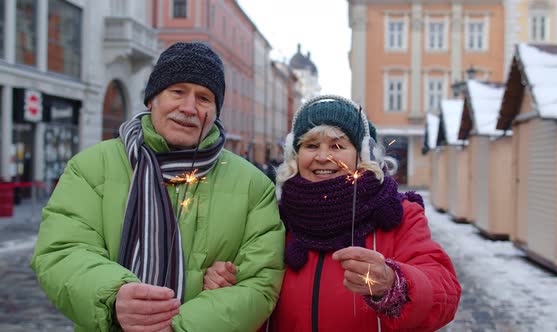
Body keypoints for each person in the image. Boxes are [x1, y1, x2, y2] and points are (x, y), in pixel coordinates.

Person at [30, 42, 285, 332]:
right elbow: (62, 251)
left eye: (204, 98)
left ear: (215, 111)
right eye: (177, 91)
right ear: (152, 99)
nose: (189, 108)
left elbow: (261, 282)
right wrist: (113, 296)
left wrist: (179, 327)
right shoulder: (90, 168)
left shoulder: (254, 186)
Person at [205, 95, 461, 331]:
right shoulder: (272, 217)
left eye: (338, 146)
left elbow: (445, 292)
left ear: (363, 154)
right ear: (294, 155)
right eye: (311, 145)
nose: (323, 157)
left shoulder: (398, 214)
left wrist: (394, 283)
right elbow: (255, 305)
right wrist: (229, 287)